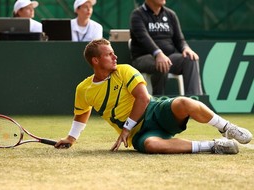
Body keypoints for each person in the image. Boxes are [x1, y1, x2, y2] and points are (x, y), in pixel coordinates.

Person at [55, 39, 252, 155]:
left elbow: (143, 99)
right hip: (139, 134)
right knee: (151, 145)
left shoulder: (124, 70)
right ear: (96, 60)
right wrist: (71, 138)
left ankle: (227, 128)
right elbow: (81, 114)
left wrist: (125, 129)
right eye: (109, 54)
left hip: (154, 111)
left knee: (184, 102)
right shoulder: (83, 89)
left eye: (114, 53)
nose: (115, 57)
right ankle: (213, 146)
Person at [129, 0, 202, 96]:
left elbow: (179, 39)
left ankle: (195, 102)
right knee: (161, 63)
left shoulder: (171, 14)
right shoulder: (137, 15)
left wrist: (185, 48)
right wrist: (158, 54)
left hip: (169, 57)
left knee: (190, 59)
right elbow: (144, 39)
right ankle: (158, 102)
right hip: (143, 57)